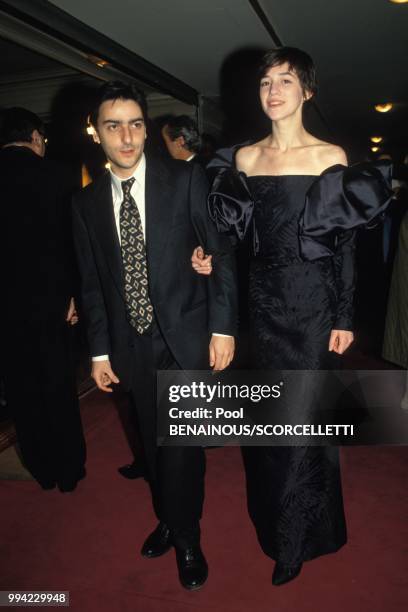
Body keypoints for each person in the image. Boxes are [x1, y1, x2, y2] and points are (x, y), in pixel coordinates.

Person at [192, 47, 392, 585]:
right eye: (265, 82)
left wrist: (344, 316)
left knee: (303, 427)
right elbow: (233, 240)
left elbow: (345, 247)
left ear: (307, 91)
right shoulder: (243, 159)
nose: (273, 91)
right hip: (262, 307)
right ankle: (272, 519)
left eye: (285, 80)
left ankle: (299, 538)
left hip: (312, 307)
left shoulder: (331, 156)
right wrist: (207, 254)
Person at [72, 81, 237, 590]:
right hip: (131, 343)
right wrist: (99, 351)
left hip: (185, 336)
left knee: (183, 446)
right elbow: (93, 282)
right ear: (96, 132)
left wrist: (222, 326)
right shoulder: (85, 203)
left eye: (136, 124)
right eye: (113, 125)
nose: (126, 137)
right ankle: (168, 516)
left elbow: (220, 252)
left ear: (146, 128)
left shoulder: (186, 178)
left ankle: (187, 536)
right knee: (152, 442)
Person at [0, 107, 86, 492]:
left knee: (20, 388)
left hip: (5, 306)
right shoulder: (61, 174)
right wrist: (75, 293)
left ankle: (42, 468)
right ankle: (69, 470)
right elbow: (76, 243)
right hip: (53, 299)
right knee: (57, 383)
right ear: (35, 136)